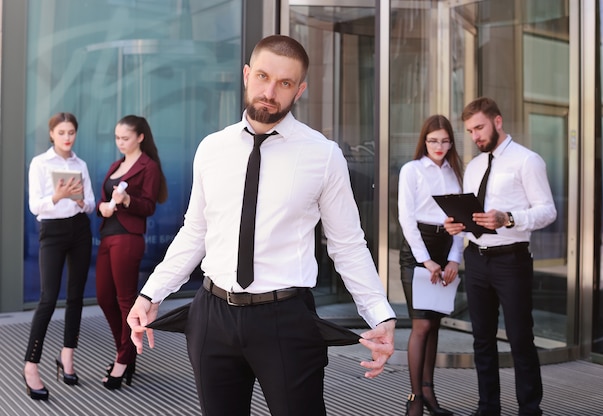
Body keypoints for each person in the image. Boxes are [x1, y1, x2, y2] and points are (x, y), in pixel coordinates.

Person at [126, 34, 396, 416]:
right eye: (264, 77)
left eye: (284, 83)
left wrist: (380, 315)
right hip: (212, 316)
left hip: (285, 319)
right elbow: (195, 232)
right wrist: (150, 295)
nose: (270, 91)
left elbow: (348, 244)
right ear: (247, 74)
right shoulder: (211, 148)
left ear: (299, 90)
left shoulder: (323, 155)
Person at [443, 97, 556, 416]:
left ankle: (530, 410)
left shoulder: (527, 160)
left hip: (512, 260)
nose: (475, 136)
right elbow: (474, 216)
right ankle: (488, 408)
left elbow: (547, 211)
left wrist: (508, 217)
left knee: (521, 339)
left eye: (479, 127)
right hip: (476, 260)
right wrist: (459, 226)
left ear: (498, 121)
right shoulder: (475, 165)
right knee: (482, 340)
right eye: (470, 131)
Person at [23, 112, 95, 400]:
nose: (67, 137)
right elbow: (34, 206)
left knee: (75, 296)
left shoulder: (81, 164)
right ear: (52, 134)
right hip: (51, 231)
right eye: (62, 132)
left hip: (79, 229)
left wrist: (79, 200)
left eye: (71, 132)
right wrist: (57, 195)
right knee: (48, 298)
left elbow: (90, 204)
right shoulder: (40, 163)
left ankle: (67, 356)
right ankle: (31, 365)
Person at [397, 115, 463, 416]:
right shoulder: (411, 170)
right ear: (424, 140)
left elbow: (461, 222)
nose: (439, 146)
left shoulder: (456, 173)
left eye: (445, 140)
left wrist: (454, 259)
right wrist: (427, 261)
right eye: (434, 140)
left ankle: (429, 393)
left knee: (434, 324)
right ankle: (415, 399)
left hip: (446, 247)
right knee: (421, 325)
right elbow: (406, 220)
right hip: (417, 251)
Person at [96, 115, 167, 390]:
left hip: (128, 237)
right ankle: (124, 351)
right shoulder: (117, 165)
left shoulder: (148, 167)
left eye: (125, 138)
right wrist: (103, 206)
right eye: (117, 138)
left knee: (126, 301)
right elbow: (105, 197)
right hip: (107, 235)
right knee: (104, 297)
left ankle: (123, 360)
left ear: (140, 137)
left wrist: (127, 200)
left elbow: (148, 206)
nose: (120, 143)